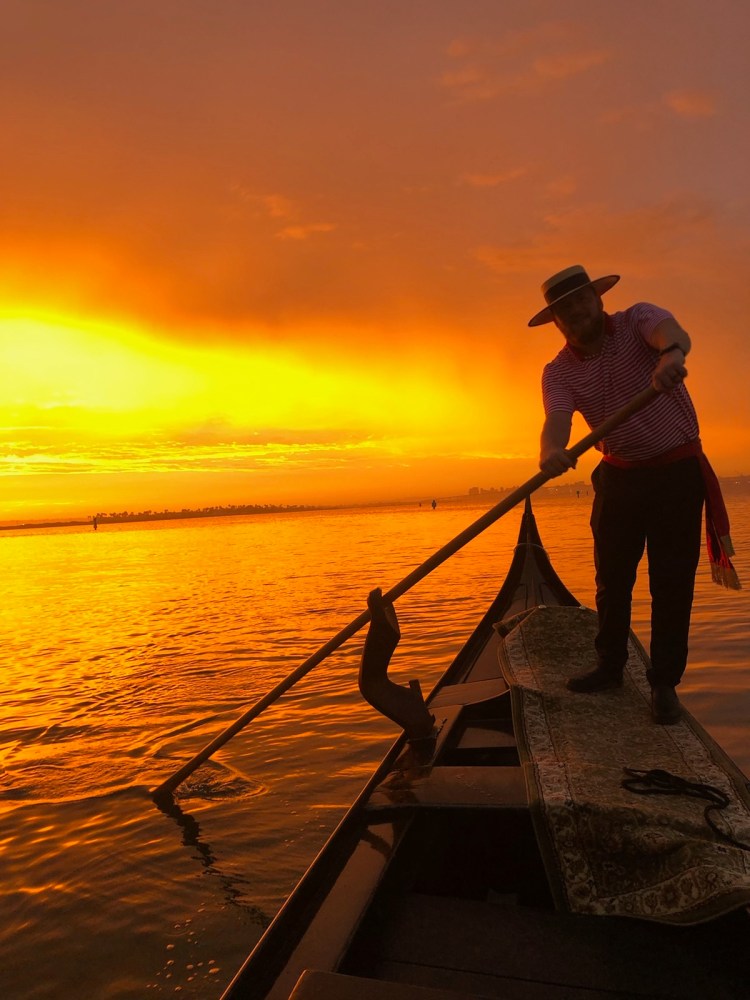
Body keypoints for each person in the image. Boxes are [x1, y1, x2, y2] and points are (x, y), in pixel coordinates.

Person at [530, 264, 736, 725]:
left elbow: (671, 333)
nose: (576, 312)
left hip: (676, 476)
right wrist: (550, 451)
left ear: (598, 299)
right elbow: (557, 418)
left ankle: (663, 683)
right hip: (619, 478)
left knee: (671, 582)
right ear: (557, 322)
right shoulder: (558, 371)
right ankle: (610, 665)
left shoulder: (637, 320)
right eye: (564, 309)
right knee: (612, 578)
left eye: (581, 300)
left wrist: (671, 356)